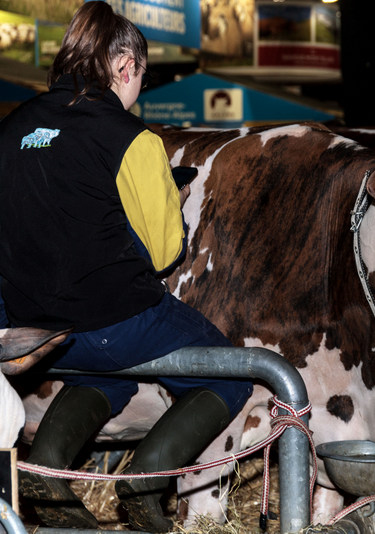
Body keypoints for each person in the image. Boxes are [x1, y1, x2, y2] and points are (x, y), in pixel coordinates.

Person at [0, 3, 252, 532]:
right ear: (123, 65)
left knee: (105, 377)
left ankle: (47, 466)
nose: (140, 86)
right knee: (233, 373)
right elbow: (164, 256)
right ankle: (148, 477)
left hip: (31, 329)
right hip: (115, 323)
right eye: (141, 73)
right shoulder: (132, 137)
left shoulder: (13, 126)